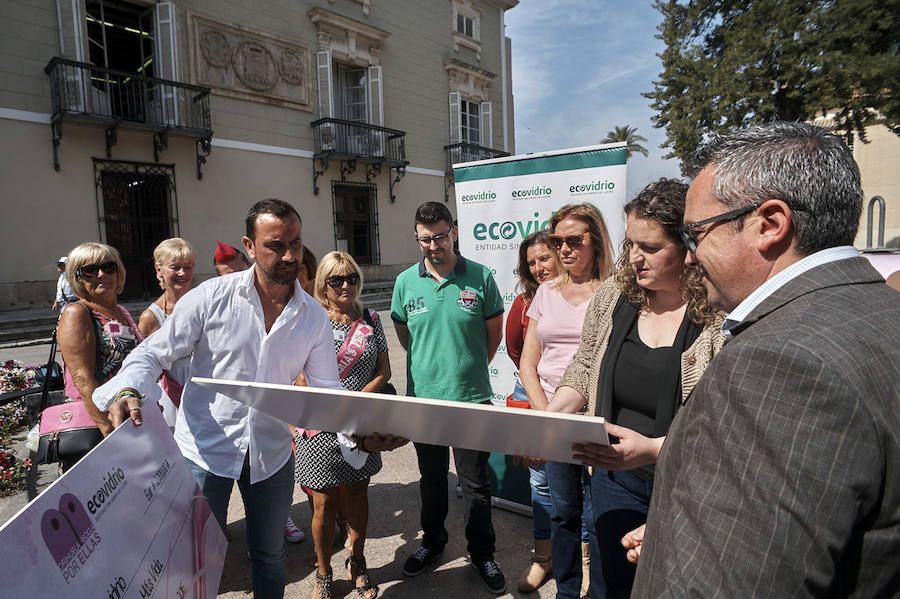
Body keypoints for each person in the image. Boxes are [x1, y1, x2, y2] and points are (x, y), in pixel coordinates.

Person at [626, 122, 900, 597]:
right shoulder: (882, 310)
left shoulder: (779, 362)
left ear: (769, 225)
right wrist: (687, 535)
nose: (689, 258)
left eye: (695, 235)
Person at [97, 199, 344, 599]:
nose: (288, 255)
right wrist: (128, 389)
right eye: (275, 245)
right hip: (203, 451)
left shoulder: (313, 316)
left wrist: (363, 430)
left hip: (271, 452)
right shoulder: (211, 297)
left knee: (269, 553)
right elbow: (151, 353)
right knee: (191, 557)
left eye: (295, 244)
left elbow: (327, 392)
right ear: (249, 244)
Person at [544, 180, 725, 598]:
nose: (634, 258)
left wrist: (654, 448)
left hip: (685, 485)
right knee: (611, 583)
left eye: (650, 247)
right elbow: (584, 364)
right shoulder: (614, 294)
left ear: (687, 247)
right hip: (613, 480)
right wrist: (548, 420)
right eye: (629, 244)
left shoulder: (716, 313)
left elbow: (721, 423)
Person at [391, 201, 507, 594]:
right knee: (432, 480)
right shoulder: (406, 281)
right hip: (425, 400)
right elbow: (405, 334)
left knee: (475, 485)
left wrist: (467, 368)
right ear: (417, 238)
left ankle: (482, 553)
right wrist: (432, 366)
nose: (433, 245)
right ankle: (433, 543)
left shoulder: (480, 276)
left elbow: (494, 336)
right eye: (425, 239)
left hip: (472, 398)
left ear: (453, 231)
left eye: (440, 236)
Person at [296, 251, 406, 599]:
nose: (346, 285)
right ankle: (325, 573)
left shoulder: (371, 318)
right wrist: (331, 406)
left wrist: (355, 399)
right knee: (323, 504)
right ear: (323, 284)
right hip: (320, 425)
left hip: (360, 422)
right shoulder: (309, 318)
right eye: (336, 280)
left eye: (352, 278)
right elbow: (297, 374)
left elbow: (384, 371)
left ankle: (357, 562)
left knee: (359, 494)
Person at [518, 203, 614, 599]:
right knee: (563, 512)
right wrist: (545, 418)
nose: (564, 249)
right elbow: (528, 361)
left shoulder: (616, 291)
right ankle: (567, 590)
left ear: (596, 240)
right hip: (555, 419)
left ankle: (600, 589)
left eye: (574, 240)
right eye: (558, 241)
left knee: (601, 514)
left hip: (598, 418)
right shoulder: (546, 291)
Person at [505, 230, 560, 593]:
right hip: (532, 394)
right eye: (532, 262)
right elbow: (514, 347)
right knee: (540, 483)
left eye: (545, 258)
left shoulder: (592, 295)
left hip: (577, 399)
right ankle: (543, 559)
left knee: (581, 486)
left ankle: (581, 562)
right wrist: (534, 384)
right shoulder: (525, 301)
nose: (539, 268)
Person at [56, 243, 143, 468]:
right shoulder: (77, 313)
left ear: (119, 271)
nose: (101, 274)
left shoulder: (122, 311)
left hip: (129, 414)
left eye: (108, 267)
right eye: (89, 270)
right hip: (100, 425)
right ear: (77, 278)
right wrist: (110, 433)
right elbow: (82, 378)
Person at [138, 237, 196, 425]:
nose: (182, 273)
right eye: (175, 267)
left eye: (188, 267)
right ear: (158, 270)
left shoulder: (203, 303)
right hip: (170, 391)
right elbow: (143, 364)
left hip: (202, 382)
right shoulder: (151, 317)